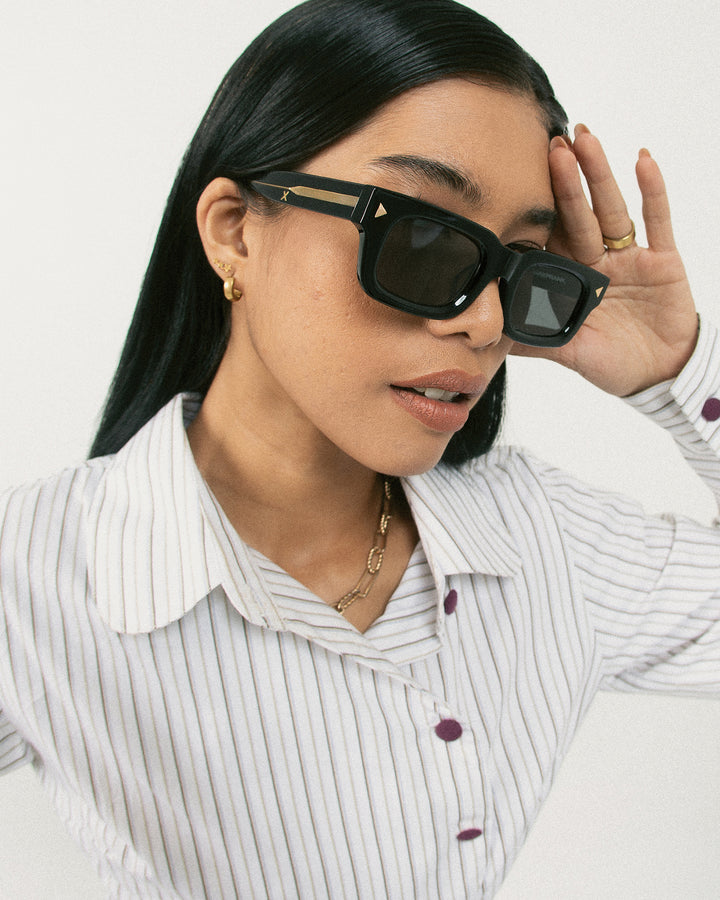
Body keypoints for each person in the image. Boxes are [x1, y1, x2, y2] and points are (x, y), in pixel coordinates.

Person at [1, 0, 718, 896]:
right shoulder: (31, 579)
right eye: (420, 235)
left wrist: (677, 371)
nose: (485, 324)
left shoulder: (545, 539)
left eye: (522, 265)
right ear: (235, 230)